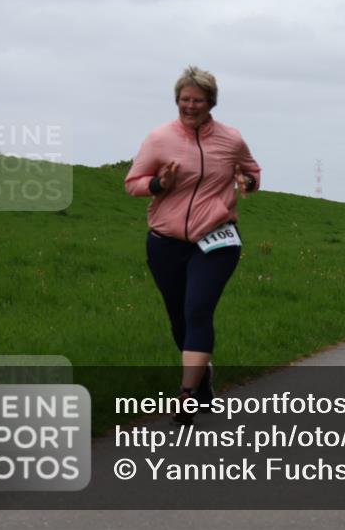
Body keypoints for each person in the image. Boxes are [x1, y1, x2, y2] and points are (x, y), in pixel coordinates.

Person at [125, 66, 261, 425]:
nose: (190, 106)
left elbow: (253, 172)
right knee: (178, 317)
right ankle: (201, 380)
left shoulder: (231, 139)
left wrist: (246, 180)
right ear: (177, 101)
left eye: (197, 100)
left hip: (215, 240)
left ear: (210, 102)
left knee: (198, 310)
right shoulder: (159, 138)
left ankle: (185, 395)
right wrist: (159, 184)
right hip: (165, 242)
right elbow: (132, 183)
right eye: (184, 100)